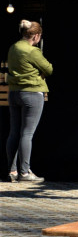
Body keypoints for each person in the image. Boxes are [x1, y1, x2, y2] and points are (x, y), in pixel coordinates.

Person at [6, 20, 52, 182]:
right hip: (32, 93)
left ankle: (12, 171)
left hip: (14, 93)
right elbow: (49, 69)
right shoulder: (33, 51)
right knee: (27, 133)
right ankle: (25, 172)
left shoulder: (13, 48)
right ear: (36, 36)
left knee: (14, 132)